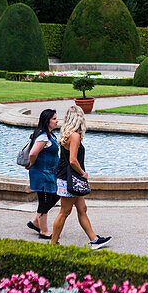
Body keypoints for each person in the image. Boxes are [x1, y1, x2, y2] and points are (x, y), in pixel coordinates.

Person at [50, 104, 111, 249]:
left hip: (68, 178)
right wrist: (83, 174)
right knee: (64, 212)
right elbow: (72, 160)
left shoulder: (66, 132)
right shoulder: (75, 136)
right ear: (79, 119)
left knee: (82, 208)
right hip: (70, 179)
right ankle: (53, 244)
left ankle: (94, 240)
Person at [25, 108, 59, 240]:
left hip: (49, 173)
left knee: (55, 196)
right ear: (47, 121)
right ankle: (44, 231)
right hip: (42, 174)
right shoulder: (43, 136)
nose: (57, 121)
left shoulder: (49, 135)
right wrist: (32, 164)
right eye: (54, 119)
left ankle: (35, 221)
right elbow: (33, 153)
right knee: (44, 201)